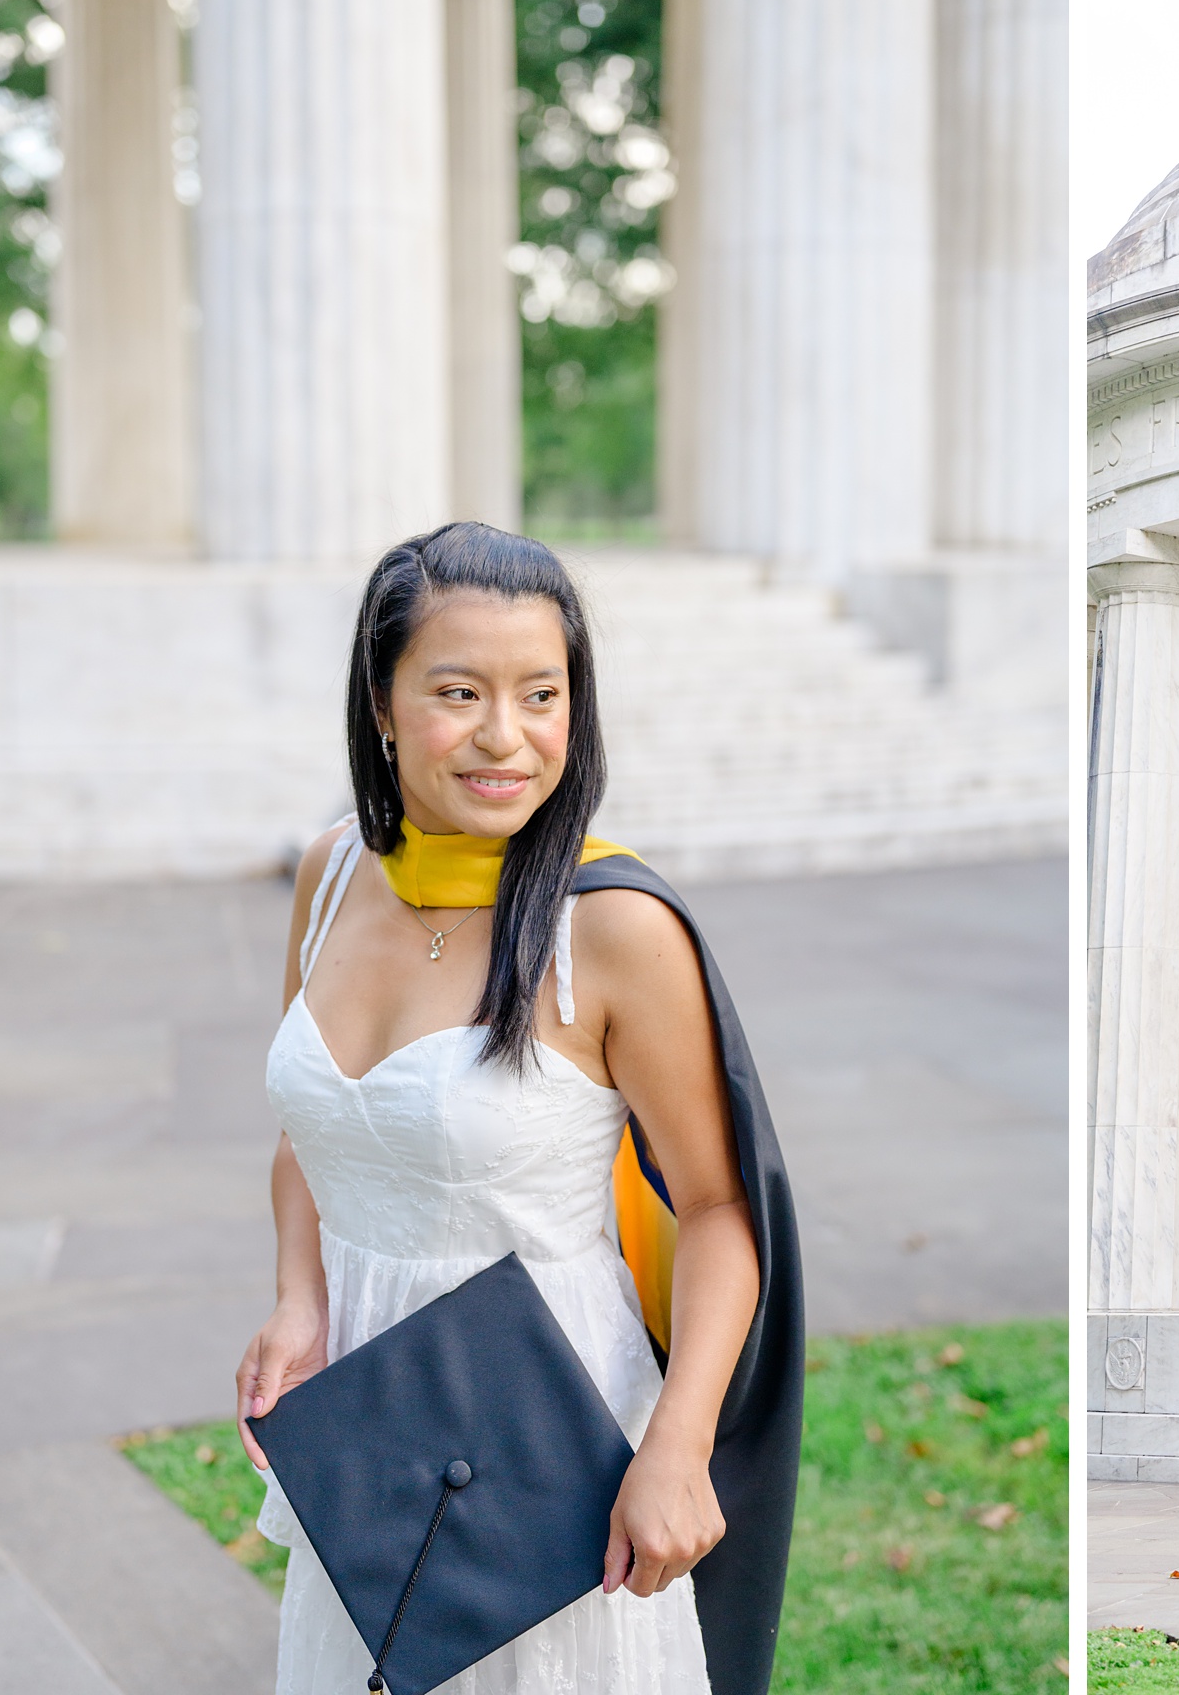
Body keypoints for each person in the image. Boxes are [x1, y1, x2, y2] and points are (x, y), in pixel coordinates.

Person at [231, 522, 799, 1694]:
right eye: (458, 691)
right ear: (382, 705)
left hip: (548, 1431)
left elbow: (716, 1209)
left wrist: (674, 1446)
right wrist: (301, 1297)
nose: (507, 736)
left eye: (542, 693)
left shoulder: (611, 929)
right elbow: (312, 1130)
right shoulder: (332, 872)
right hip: (368, 1410)